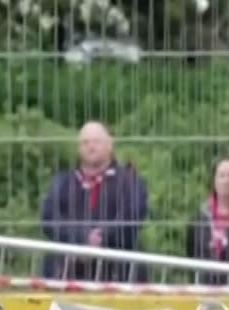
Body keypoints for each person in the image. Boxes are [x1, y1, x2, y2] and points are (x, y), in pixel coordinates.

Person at [38, 121, 151, 284]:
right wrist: (82, 239)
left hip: (119, 276)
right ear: (78, 148)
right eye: (85, 142)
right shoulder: (62, 182)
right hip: (64, 275)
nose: (90, 147)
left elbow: (132, 219)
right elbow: (49, 219)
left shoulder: (130, 181)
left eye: (96, 141)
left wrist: (101, 239)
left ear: (110, 145)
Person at [184, 155, 229, 286]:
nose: (226, 181)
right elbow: (191, 254)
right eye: (221, 175)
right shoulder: (200, 218)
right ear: (214, 180)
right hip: (203, 288)